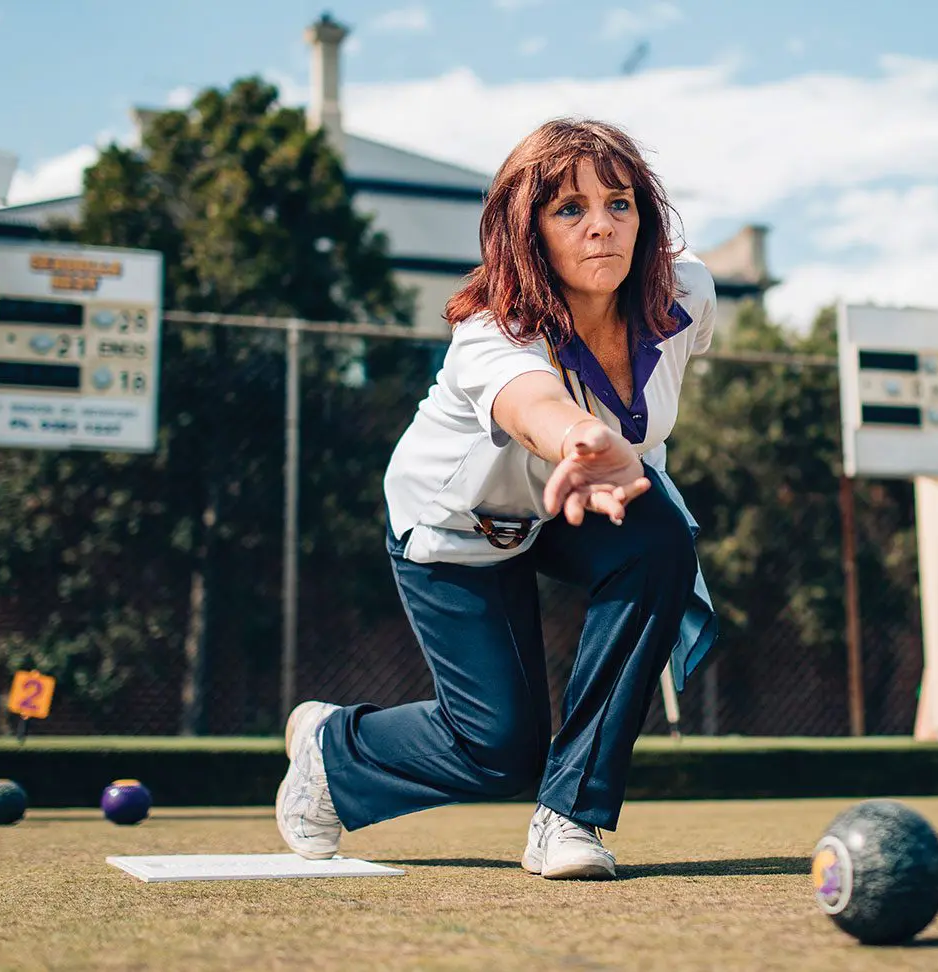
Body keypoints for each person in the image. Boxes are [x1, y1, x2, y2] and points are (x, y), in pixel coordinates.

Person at [276, 118, 718, 879]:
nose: (602, 227)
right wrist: (582, 437)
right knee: (498, 746)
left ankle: (571, 817)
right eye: (569, 210)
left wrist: (621, 458)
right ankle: (333, 750)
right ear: (529, 229)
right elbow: (531, 403)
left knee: (660, 539)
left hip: (577, 500)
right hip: (457, 519)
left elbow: (663, 377)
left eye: (619, 203)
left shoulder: (685, 294)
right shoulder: (494, 327)